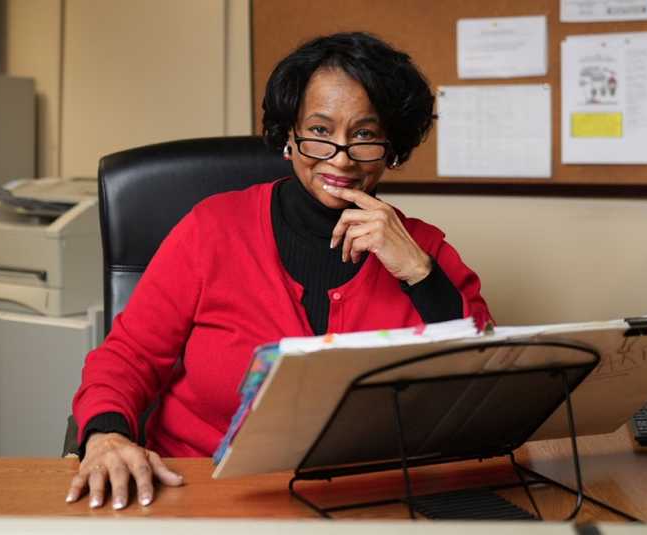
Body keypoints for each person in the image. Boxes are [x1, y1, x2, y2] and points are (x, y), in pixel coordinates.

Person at [66, 32, 492, 510]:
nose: (342, 156)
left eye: (366, 135)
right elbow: (127, 357)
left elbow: (486, 382)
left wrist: (419, 272)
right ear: (288, 136)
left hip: (369, 500)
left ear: (392, 147)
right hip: (200, 494)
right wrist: (105, 435)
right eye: (320, 131)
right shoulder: (212, 229)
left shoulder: (424, 249)